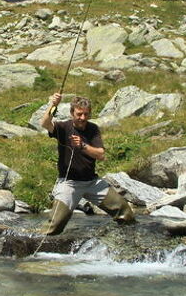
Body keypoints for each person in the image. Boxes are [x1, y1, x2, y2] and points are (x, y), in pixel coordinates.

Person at [38, 92, 135, 234]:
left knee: (125, 212)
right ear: (72, 113)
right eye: (79, 114)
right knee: (54, 226)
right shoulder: (63, 127)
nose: (82, 118)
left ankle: (127, 240)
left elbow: (101, 155)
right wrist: (53, 105)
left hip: (92, 183)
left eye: (86, 114)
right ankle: (34, 244)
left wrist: (83, 146)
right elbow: (45, 123)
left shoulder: (93, 129)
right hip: (69, 184)